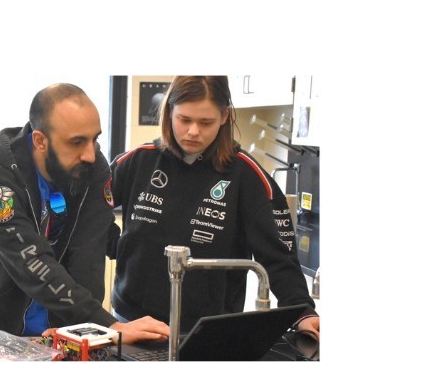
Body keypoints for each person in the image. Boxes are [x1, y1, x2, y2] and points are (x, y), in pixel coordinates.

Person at [0, 83, 169, 344]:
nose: (90, 153)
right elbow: (31, 263)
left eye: (95, 138)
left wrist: (83, 327)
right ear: (40, 141)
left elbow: (88, 254)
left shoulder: (91, 167)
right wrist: (109, 325)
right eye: (77, 142)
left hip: (59, 333)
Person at [108, 76, 320, 340]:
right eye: (184, 120)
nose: (193, 131)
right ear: (169, 112)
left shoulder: (247, 175)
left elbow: (278, 254)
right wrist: (117, 246)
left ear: (224, 117)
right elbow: (90, 214)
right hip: (132, 319)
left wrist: (302, 311)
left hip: (208, 327)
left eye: (205, 122)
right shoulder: (136, 161)